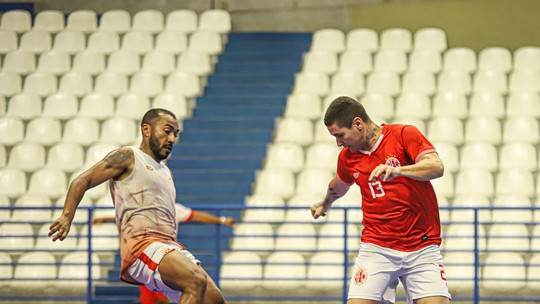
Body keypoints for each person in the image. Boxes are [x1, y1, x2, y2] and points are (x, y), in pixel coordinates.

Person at [49, 108, 228, 304]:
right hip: (142, 246)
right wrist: (67, 215)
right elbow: (82, 180)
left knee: (215, 300)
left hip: (169, 246)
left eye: (175, 134)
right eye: (167, 131)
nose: (172, 139)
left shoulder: (166, 171)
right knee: (194, 281)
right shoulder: (129, 155)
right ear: (146, 130)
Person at [310, 96, 451, 304]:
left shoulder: (404, 135)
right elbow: (338, 185)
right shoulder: (348, 158)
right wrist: (325, 203)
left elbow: (436, 166)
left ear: (358, 124)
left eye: (340, 135)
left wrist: (399, 170)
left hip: (421, 246)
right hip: (377, 247)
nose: (338, 143)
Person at [92, 203, 236, 304]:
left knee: (174, 295)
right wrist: (105, 219)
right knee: (151, 300)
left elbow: (197, 216)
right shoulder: (144, 208)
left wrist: (222, 220)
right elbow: (127, 217)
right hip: (147, 258)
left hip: (167, 258)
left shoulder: (174, 208)